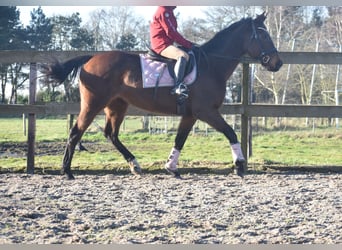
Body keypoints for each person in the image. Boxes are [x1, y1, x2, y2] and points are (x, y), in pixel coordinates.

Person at [150, 6, 193, 98]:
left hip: (167, 43)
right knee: (182, 56)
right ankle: (178, 86)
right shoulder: (163, 11)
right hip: (161, 45)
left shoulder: (168, 11)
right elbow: (171, 32)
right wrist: (188, 44)